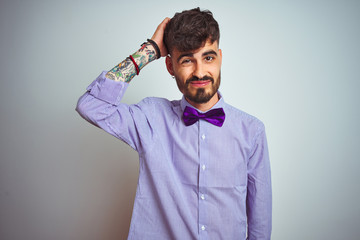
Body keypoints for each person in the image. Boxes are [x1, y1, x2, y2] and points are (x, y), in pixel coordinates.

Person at [76, 7, 272, 240]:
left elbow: (260, 226)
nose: (200, 72)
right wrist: (149, 50)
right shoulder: (150, 117)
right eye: (187, 60)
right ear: (170, 66)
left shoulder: (252, 131)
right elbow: (90, 105)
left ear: (220, 58)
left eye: (208, 57)